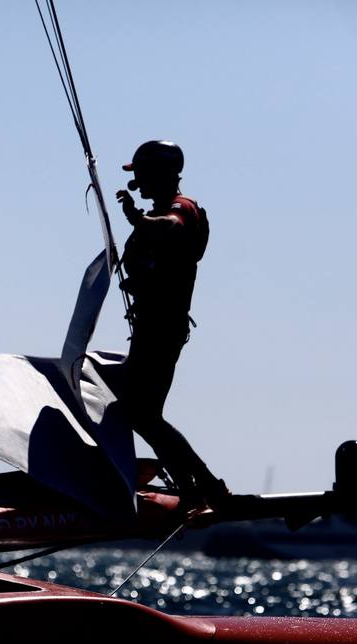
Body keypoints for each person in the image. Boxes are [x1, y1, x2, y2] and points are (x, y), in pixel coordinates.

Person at [114, 140, 228, 509]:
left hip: (162, 329)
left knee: (142, 414)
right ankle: (196, 485)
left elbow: (172, 228)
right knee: (139, 413)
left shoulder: (181, 208)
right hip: (152, 326)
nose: (138, 182)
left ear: (158, 174)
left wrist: (137, 219)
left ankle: (204, 485)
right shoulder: (159, 212)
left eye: (141, 174)